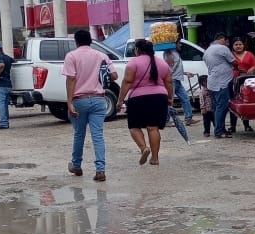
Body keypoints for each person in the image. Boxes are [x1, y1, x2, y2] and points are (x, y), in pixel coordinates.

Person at [62, 30, 117, 182]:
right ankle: (100, 170)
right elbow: (114, 76)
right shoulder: (101, 56)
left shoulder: (71, 56)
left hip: (80, 100)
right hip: (99, 100)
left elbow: (71, 79)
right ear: (91, 41)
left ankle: (76, 165)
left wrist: (69, 102)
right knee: (97, 136)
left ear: (76, 41)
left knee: (79, 134)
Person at [116, 40, 173, 166]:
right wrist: (170, 98)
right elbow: (169, 81)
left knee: (134, 126)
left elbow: (127, 82)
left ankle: (143, 148)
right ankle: (155, 158)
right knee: (153, 127)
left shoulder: (133, 63)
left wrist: (120, 100)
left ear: (138, 50)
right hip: (159, 97)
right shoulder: (162, 63)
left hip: (138, 98)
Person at [204, 32, 237, 139]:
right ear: (222, 39)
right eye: (225, 41)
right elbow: (234, 62)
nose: (226, 44)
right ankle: (219, 131)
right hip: (221, 83)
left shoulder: (208, 50)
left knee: (218, 106)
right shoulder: (222, 48)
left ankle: (221, 129)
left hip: (213, 82)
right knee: (221, 107)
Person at [164, 41, 198, 125]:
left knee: (185, 98)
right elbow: (168, 67)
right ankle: (166, 120)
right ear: (174, 44)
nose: (180, 45)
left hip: (177, 80)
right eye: (179, 43)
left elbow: (175, 68)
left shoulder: (174, 53)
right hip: (172, 80)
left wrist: (185, 73)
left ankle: (188, 118)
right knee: (169, 100)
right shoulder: (168, 53)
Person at [228, 37, 255, 133]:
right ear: (233, 46)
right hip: (232, 82)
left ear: (243, 45)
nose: (238, 46)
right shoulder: (230, 55)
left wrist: (252, 69)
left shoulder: (249, 54)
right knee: (233, 103)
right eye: (236, 44)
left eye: (240, 44)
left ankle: (247, 125)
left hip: (246, 82)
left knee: (244, 102)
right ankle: (232, 126)